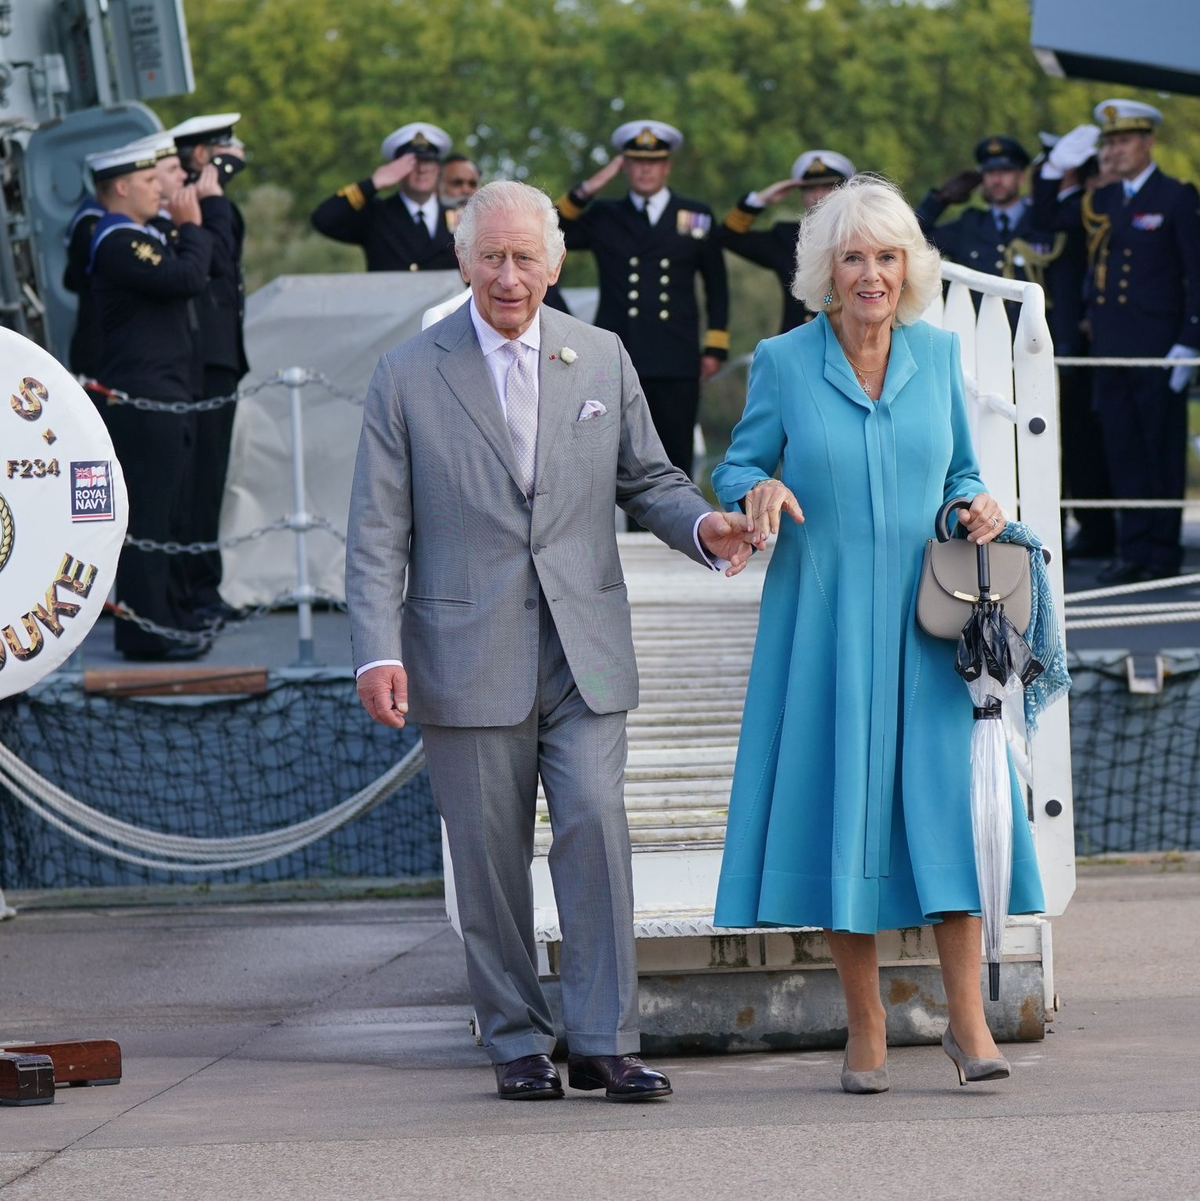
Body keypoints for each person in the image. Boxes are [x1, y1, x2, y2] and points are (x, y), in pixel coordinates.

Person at [346, 180, 755, 1102]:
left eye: (525, 257)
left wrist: (703, 530)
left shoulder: (602, 357)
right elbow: (376, 531)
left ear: (555, 263)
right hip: (463, 652)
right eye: (490, 256)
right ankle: (516, 1041)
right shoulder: (407, 374)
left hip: (587, 646)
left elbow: (648, 479)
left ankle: (606, 1039)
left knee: (593, 829)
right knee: (489, 860)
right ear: (463, 262)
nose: (508, 275)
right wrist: (377, 650)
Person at [711, 175, 1045, 1094]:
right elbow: (736, 458)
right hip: (822, 624)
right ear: (827, 270)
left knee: (949, 811)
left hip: (929, 626)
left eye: (887, 257)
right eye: (854, 257)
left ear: (909, 268)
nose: (871, 274)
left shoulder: (937, 358)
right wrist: (758, 488)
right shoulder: (783, 359)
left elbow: (961, 475)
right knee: (842, 811)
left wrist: (974, 506)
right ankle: (866, 1026)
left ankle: (968, 1021)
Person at [1037, 100, 1200, 584]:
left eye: (1124, 140)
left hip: (1158, 347)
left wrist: (1190, 340)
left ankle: (1161, 552)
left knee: (1160, 449)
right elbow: (1045, 222)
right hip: (1109, 346)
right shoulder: (1102, 200)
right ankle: (1133, 550)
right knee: (1123, 448)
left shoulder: (1176, 196)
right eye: (1109, 142)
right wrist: (1053, 168)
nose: (1115, 151)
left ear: (1148, 142)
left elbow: (1196, 271)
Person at [86, 139, 214, 661]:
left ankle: (167, 619)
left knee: (169, 516)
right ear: (120, 187)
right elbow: (184, 278)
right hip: (142, 395)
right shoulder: (117, 239)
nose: (159, 188)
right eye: (147, 181)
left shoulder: (140, 234)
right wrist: (193, 228)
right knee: (147, 520)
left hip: (166, 390)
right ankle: (142, 632)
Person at [555, 120, 729, 484]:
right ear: (624, 166)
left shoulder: (694, 215)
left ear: (667, 166)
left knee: (674, 453)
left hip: (676, 355)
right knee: (613, 456)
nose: (645, 168)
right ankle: (625, 540)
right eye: (635, 161)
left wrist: (714, 346)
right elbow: (552, 228)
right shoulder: (604, 215)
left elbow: (716, 283)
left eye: (654, 161)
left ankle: (677, 537)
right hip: (618, 351)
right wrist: (589, 187)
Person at [169, 113, 252, 622]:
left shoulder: (207, 200)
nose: (237, 151)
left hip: (218, 356)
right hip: (197, 358)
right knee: (192, 483)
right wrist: (213, 194)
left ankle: (204, 588)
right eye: (224, 145)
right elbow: (217, 259)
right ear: (200, 155)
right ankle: (188, 594)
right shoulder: (193, 202)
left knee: (209, 481)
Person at [1030, 126, 1114, 561]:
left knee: (1087, 437)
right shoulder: (1068, 205)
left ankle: (1101, 526)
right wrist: (1051, 174)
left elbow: (1047, 215)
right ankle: (1092, 526)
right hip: (1065, 338)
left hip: (1085, 339)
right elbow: (1042, 215)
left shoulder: (1089, 205)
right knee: (1070, 436)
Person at [915, 136, 1062, 309]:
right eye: (990, 173)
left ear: (1021, 177)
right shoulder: (970, 224)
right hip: (981, 332)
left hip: (1033, 332)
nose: (997, 180)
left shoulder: (1043, 221)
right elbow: (911, 237)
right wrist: (940, 199)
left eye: (1005, 171)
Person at [720, 150, 855, 334]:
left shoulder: (865, 235)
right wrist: (760, 200)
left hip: (852, 343)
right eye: (810, 188)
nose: (818, 195)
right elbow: (728, 237)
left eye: (827, 187)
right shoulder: (787, 237)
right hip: (798, 346)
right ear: (801, 196)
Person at [311, 121, 459, 272]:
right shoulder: (376, 215)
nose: (422, 169)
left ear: (438, 168)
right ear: (396, 168)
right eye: (413, 162)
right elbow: (323, 220)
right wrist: (372, 184)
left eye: (428, 161)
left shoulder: (460, 218)